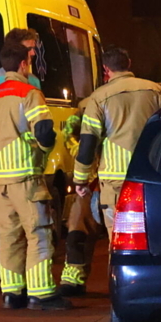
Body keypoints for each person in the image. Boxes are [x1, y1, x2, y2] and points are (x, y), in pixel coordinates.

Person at [0, 41, 71, 310]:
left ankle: (11, 292)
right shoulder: (29, 93)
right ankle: (41, 294)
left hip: (0, 180)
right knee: (38, 233)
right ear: (24, 64)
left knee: (7, 236)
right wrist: (42, 149)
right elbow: (43, 131)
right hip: (27, 178)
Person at [73, 48, 161, 239]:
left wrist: (80, 179)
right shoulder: (156, 91)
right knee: (154, 235)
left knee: (120, 238)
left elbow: (88, 143)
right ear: (129, 63)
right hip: (152, 176)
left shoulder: (99, 98)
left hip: (116, 181)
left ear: (105, 69)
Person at [59, 105, 103, 297]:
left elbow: (69, 134)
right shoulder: (94, 105)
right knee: (77, 230)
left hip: (109, 181)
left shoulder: (96, 104)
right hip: (95, 183)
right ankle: (73, 280)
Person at [0, 28, 42, 96]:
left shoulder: (34, 80)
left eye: (33, 48)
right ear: (14, 49)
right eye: (29, 49)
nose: (33, 53)